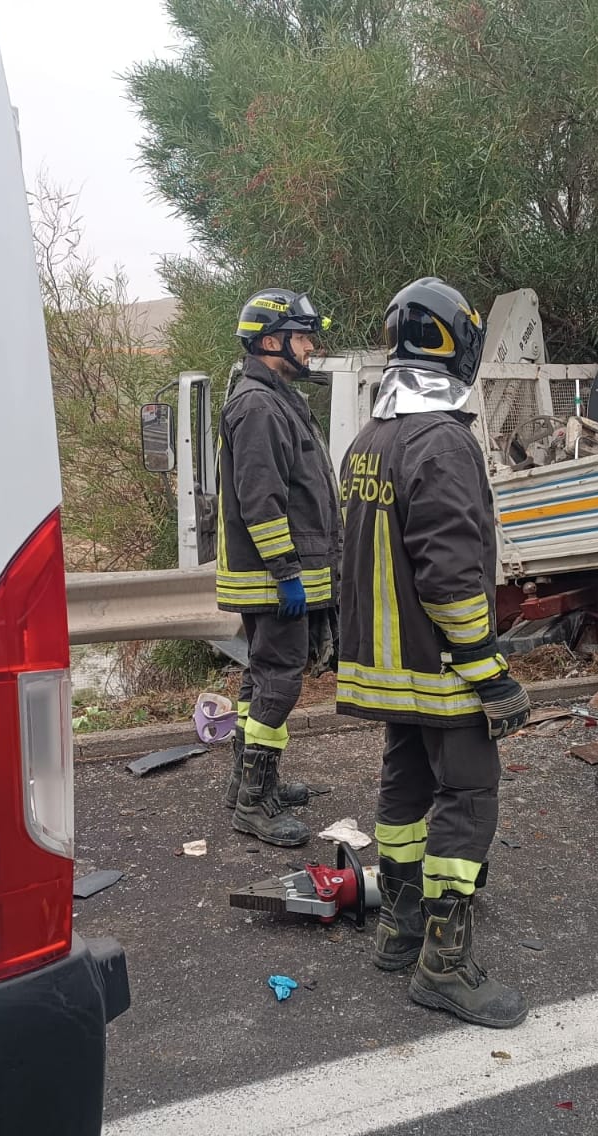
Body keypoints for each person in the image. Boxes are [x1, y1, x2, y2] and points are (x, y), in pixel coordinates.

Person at [337, 277, 533, 1030]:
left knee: (404, 790)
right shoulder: (442, 441)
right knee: (467, 797)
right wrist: (489, 672)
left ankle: (401, 927)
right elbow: (451, 573)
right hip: (441, 670)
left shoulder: (370, 440)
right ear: (461, 347)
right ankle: (444, 966)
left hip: (386, 670)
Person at [216, 289, 342, 848]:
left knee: (261, 675)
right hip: (274, 577)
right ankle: (252, 804)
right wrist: (286, 571)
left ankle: (248, 782)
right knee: (279, 683)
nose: (311, 346)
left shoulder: (276, 396)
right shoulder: (260, 406)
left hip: (280, 573)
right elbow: (260, 500)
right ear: (271, 341)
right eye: (301, 336)